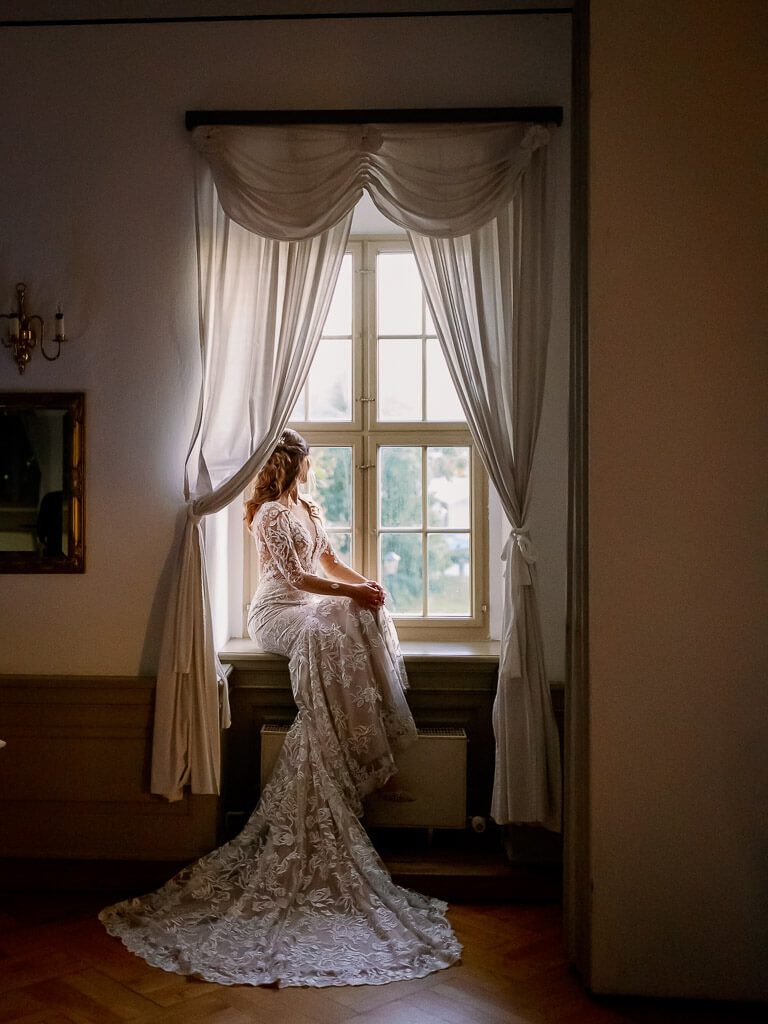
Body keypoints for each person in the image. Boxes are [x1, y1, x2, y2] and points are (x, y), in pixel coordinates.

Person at [99, 429, 461, 988]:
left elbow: (331, 561)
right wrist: (347, 596)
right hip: (276, 612)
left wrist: (362, 585)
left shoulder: (307, 507)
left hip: (312, 606)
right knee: (325, 630)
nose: (312, 469)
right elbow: (293, 579)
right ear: (295, 463)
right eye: (307, 461)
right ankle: (334, 728)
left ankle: (347, 735)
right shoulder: (269, 513)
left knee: (355, 616)